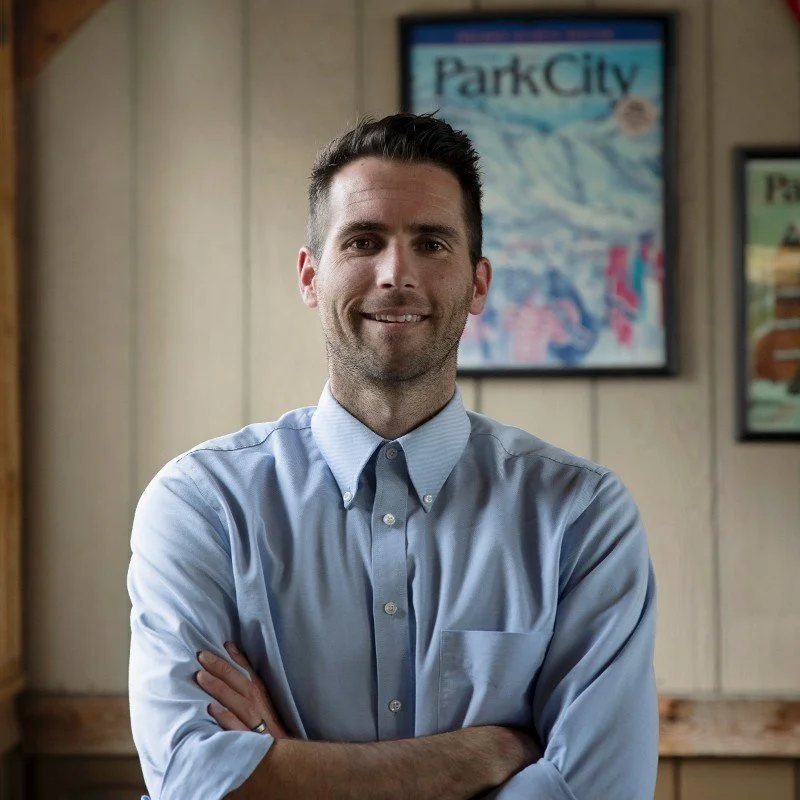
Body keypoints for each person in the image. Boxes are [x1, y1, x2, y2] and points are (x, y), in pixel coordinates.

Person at [128, 113, 658, 800]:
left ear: (477, 283)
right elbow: (191, 781)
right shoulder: (201, 505)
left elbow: (599, 793)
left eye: (432, 243)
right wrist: (479, 755)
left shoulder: (581, 517)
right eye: (364, 240)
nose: (396, 273)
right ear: (310, 276)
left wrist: (288, 771)